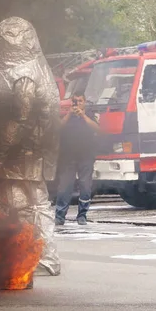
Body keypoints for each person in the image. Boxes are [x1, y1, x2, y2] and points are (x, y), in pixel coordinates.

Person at [0, 17, 61, 276]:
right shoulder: (28, 68)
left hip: (26, 153)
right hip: (19, 152)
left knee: (34, 206)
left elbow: (20, 121)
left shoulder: (25, 75)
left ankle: (46, 259)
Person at [55, 92, 99, 226]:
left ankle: (82, 215)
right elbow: (58, 128)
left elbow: (97, 128)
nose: (77, 104)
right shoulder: (66, 116)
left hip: (86, 156)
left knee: (85, 186)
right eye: (75, 101)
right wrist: (69, 114)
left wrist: (83, 115)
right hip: (68, 157)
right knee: (64, 187)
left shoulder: (90, 115)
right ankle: (60, 216)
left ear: (84, 102)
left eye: (80, 101)